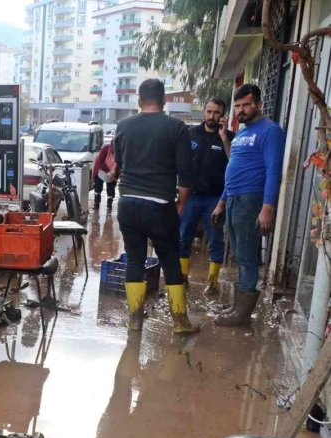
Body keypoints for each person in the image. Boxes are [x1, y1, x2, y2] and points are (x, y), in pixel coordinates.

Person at [111, 79, 197, 334]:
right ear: (164, 101)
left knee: (135, 259)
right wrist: (181, 202)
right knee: (170, 260)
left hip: (127, 203)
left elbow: (119, 163)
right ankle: (180, 321)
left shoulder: (123, 126)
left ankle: (134, 320)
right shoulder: (176, 127)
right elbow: (186, 173)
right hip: (159, 205)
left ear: (139, 101)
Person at [211, 83, 285, 327]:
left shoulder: (270, 131)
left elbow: (274, 170)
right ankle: (237, 306)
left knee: (247, 255)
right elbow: (235, 169)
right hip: (233, 199)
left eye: (246, 105)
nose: (241, 111)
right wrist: (222, 202)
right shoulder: (241, 132)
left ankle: (241, 315)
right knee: (238, 254)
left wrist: (267, 207)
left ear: (258, 105)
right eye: (238, 106)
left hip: (251, 200)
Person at [180, 98, 233, 293]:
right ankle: (183, 277)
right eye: (209, 112)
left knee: (216, 239)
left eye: (216, 112)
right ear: (203, 112)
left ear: (223, 115)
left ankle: (212, 283)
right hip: (190, 196)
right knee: (183, 237)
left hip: (215, 199)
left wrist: (225, 137)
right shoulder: (190, 134)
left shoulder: (229, 137)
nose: (212, 116)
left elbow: (234, 162)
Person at [91, 142, 117, 211]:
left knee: (111, 187)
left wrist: (114, 172)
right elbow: (100, 161)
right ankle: (96, 203)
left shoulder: (120, 150)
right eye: (113, 149)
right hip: (101, 169)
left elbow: (120, 163)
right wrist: (107, 171)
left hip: (113, 170)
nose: (114, 150)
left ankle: (109, 205)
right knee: (98, 186)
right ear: (111, 146)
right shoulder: (105, 148)